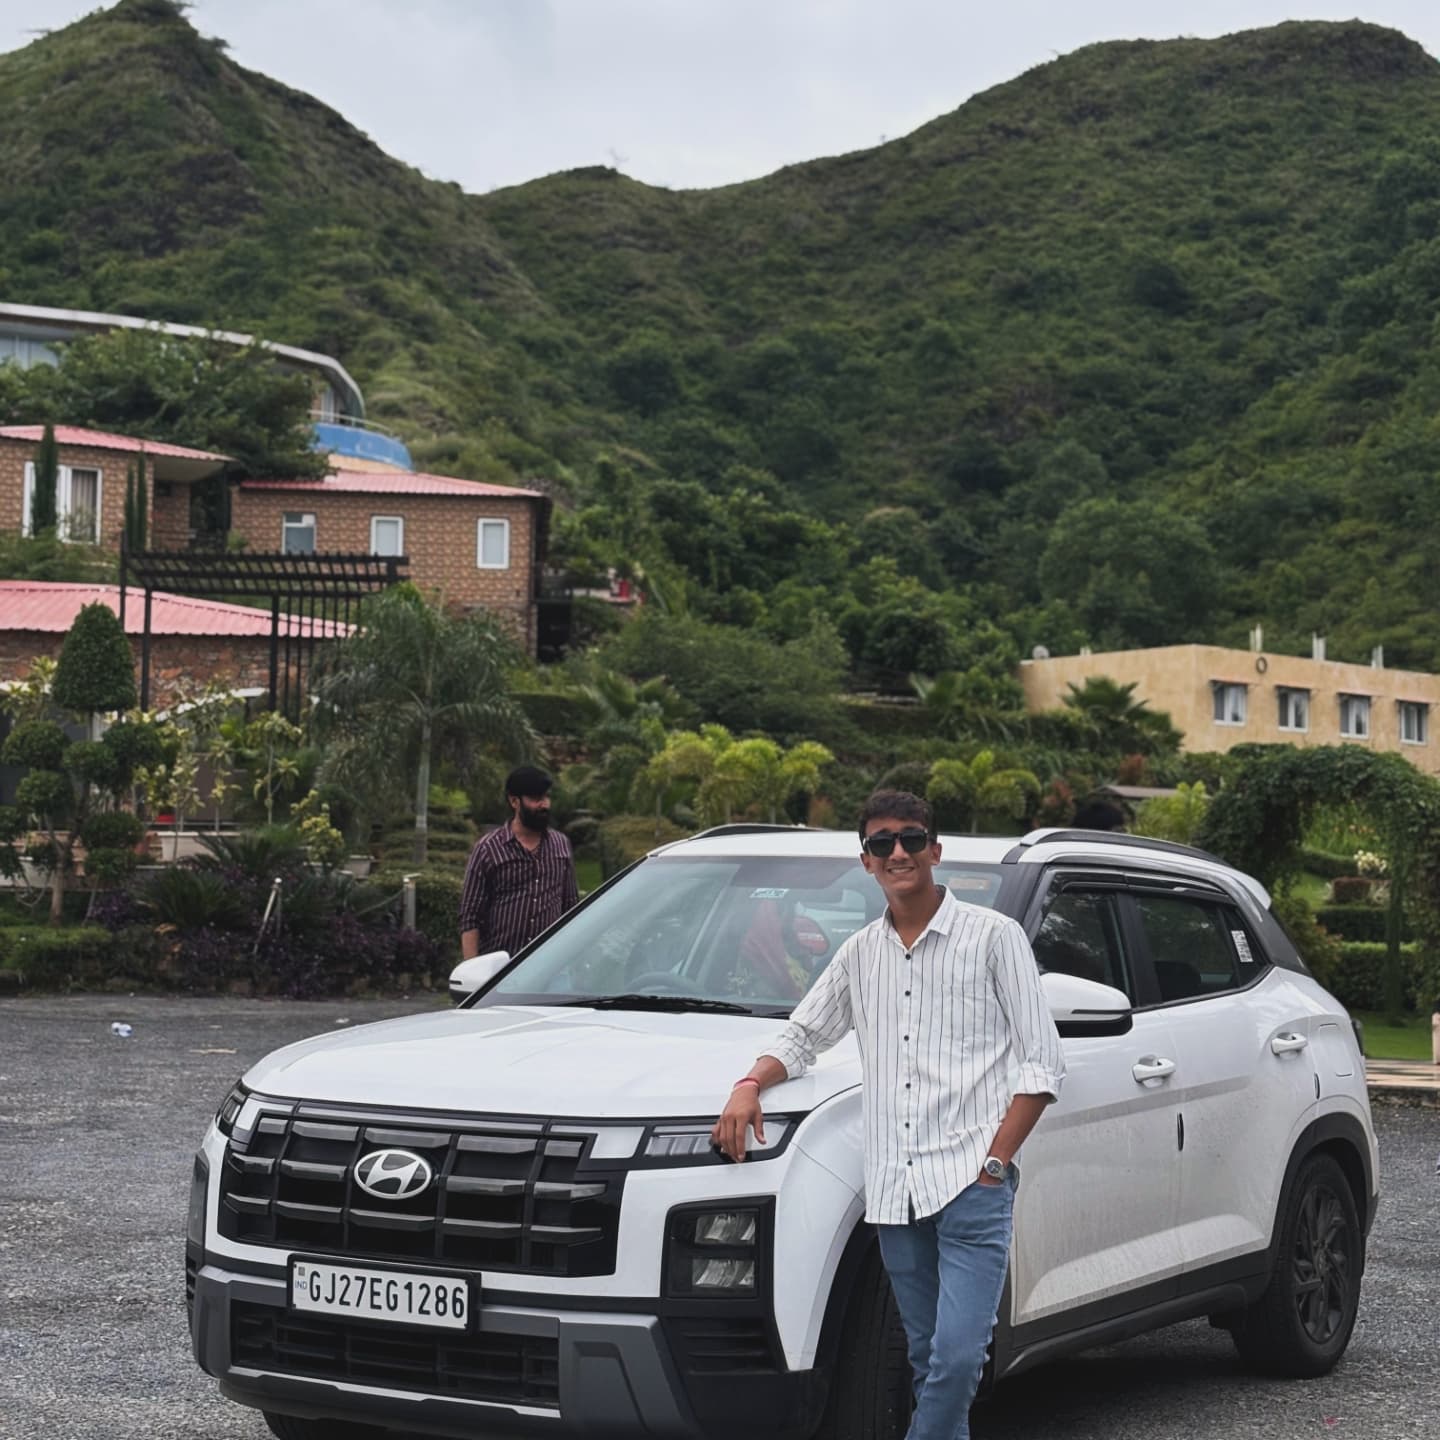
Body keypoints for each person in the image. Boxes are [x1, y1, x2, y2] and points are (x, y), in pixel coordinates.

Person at [711, 789, 1065, 1440]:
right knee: (926, 1357)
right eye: (882, 843)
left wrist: (994, 1164)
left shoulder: (994, 938)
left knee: (958, 1359)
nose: (898, 852)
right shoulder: (858, 955)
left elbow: (1042, 1066)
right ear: (867, 861)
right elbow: (804, 1035)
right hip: (895, 1194)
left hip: (971, 1185)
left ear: (935, 849)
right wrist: (749, 1084)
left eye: (910, 838)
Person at [459, 765, 578, 960]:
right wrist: (472, 970)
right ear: (514, 801)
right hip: (501, 966)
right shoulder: (488, 848)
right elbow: (470, 916)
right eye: (536, 799)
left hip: (549, 963)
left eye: (546, 797)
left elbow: (571, 907)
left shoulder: (561, 845)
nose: (544, 805)